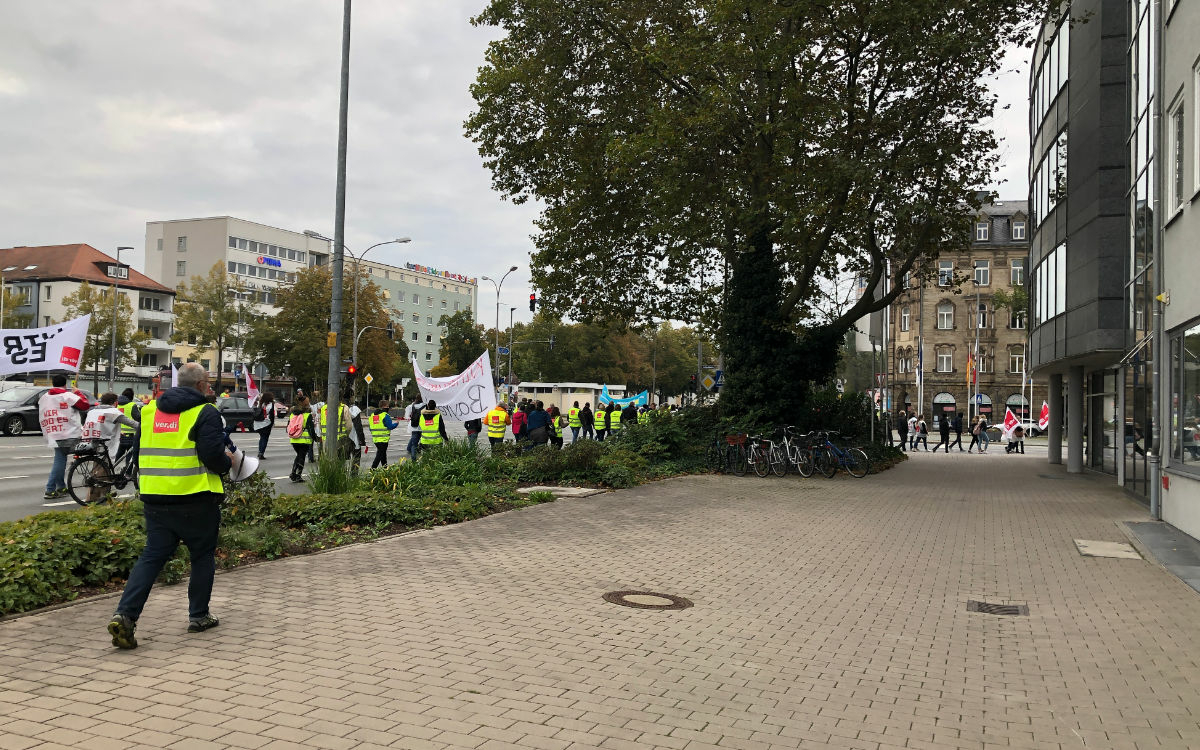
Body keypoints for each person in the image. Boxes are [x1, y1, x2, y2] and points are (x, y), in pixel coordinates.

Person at [107, 362, 232, 650]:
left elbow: (137, 452)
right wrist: (230, 464)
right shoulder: (205, 412)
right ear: (200, 385)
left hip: (155, 498)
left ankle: (125, 615)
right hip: (195, 498)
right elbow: (213, 456)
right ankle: (198, 616)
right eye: (209, 383)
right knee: (201, 556)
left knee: (151, 558)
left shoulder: (149, 411)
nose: (210, 388)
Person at [38, 374, 91, 499]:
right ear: (65, 384)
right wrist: (78, 392)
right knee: (62, 459)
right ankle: (50, 489)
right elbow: (85, 405)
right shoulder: (68, 396)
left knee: (60, 458)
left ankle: (61, 487)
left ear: (52, 383)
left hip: (52, 432)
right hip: (69, 432)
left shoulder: (44, 397)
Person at [80, 393, 140, 502]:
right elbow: (132, 423)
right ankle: (94, 497)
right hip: (105, 442)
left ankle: (104, 492)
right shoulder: (113, 412)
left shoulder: (93, 411)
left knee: (98, 467)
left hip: (90, 441)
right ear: (115, 402)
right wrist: (144, 427)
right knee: (102, 470)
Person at [288, 396, 317, 482]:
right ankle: (297, 475)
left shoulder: (292, 414)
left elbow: (288, 426)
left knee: (298, 456)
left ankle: (294, 473)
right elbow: (311, 429)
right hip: (304, 440)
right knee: (301, 457)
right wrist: (315, 438)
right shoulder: (308, 415)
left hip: (294, 439)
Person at [369, 400, 399, 468]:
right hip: (384, 439)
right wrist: (396, 424)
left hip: (375, 439)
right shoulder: (385, 415)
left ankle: (385, 468)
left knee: (382, 454)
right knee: (379, 455)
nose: (388, 407)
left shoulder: (372, 415)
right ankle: (373, 469)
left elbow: (370, 428)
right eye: (387, 406)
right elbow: (390, 426)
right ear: (383, 406)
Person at [116, 388, 141, 462]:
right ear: (131, 396)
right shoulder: (132, 405)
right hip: (131, 436)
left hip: (119, 435)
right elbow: (138, 418)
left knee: (117, 456)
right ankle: (127, 473)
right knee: (129, 457)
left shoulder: (117, 405)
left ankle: (110, 470)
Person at [253, 392, 274, 460]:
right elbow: (272, 416)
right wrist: (272, 424)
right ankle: (261, 453)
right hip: (266, 424)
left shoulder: (260, 403)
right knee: (265, 438)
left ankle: (260, 452)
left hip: (258, 424)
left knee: (262, 438)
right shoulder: (271, 405)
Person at [404, 396, 425, 461]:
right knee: (423, 440)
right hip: (422, 426)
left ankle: (411, 453)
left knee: (414, 441)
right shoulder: (425, 406)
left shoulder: (410, 406)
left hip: (414, 426)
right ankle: (415, 454)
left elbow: (407, 417)